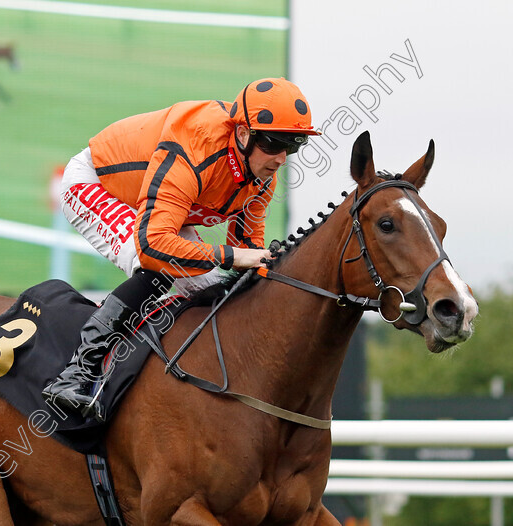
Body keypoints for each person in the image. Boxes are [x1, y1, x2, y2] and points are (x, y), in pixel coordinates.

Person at [42, 77, 320, 415]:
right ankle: (76, 372)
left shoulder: (260, 177)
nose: (281, 159)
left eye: (293, 147)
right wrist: (230, 256)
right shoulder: (195, 145)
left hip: (159, 210)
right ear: (244, 134)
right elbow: (153, 246)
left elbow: (246, 251)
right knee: (158, 267)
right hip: (99, 184)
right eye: (275, 144)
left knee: (213, 287)